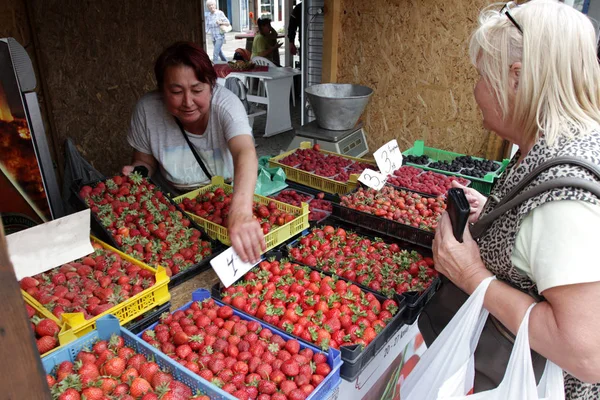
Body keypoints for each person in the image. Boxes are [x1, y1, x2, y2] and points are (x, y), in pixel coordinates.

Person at [427, 1, 600, 398]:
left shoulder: (565, 203)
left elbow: (587, 353)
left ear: (517, 78)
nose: (476, 91)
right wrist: (498, 217)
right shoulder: (566, 142)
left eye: (482, 76)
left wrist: (471, 276)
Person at [122, 42, 265, 264]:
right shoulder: (147, 111)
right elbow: (143, 160)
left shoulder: (227, 106)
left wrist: (240, 212)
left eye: (197, 90)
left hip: (225, 200)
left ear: (211, 85)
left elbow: (245, 152)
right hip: (176, 209)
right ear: (161, 89)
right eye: (176, 92)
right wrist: (138, 172)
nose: (188, 102)